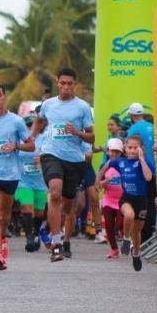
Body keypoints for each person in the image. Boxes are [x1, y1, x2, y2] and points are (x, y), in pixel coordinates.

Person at [37, 68, 94, 262]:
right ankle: (56, 243)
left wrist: (78, 133)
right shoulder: (48, 104)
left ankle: (54, 229)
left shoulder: (83, 107)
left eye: (70, 84)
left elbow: (92, 136)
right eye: (63, 83)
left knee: (69, 207)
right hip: (51, 154)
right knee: (54, 193)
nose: (66, 87)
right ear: (57, 83)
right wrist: (32, 137)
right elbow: (39, 120)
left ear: (74, 85)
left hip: (74, 160)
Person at [0, 83, 35, 270]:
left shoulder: (17, 121)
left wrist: (16, 146)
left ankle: (1, 239)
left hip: (10, 174)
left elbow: (31, 145)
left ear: (4, 97)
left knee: (4, 215)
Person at [98, 135, 153, 271]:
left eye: (136, 148)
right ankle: (126, 240)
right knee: (128, 215)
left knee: (137, 231)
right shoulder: (120, 162)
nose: (132, 150)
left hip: (141, 200)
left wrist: (142, 159)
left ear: (141, 149)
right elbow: (106, 165)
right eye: (130, 147)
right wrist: (98, 179)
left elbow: (148, 177)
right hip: (127, 198)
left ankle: (136, 254)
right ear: (125, 149)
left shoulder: (144, 162)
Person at [125, 102, 157, 248]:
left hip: (139, 170)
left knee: (136, 204)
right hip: (153, 169)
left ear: (131, 115)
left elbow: (129, 150)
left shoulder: (133, 129)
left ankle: (139, 238)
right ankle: (148, 236)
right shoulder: (152, 126)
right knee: (150, 204)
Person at [14, 115, 46, 254]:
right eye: (27, 125)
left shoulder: (45, 138)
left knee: (39, 213)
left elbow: (51, 155)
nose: (30, 128)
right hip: (23, 181)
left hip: (40, 182)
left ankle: (36, 233)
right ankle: (29, 238)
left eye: (32, 125)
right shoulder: (19, 140)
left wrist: (43, 158)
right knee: (27, 208)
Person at [98, 138, 125, 258]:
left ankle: (126, 237)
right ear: (107, 151)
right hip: (108, 200)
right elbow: (98, 185)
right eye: (111, 151)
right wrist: (105, 181)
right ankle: (114, 249)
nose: (114, 154)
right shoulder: (104, 166)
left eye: (117, 152)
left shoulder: (124, 164)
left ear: (121, 153)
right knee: (108, 226)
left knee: (120, 224)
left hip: (121, 200)